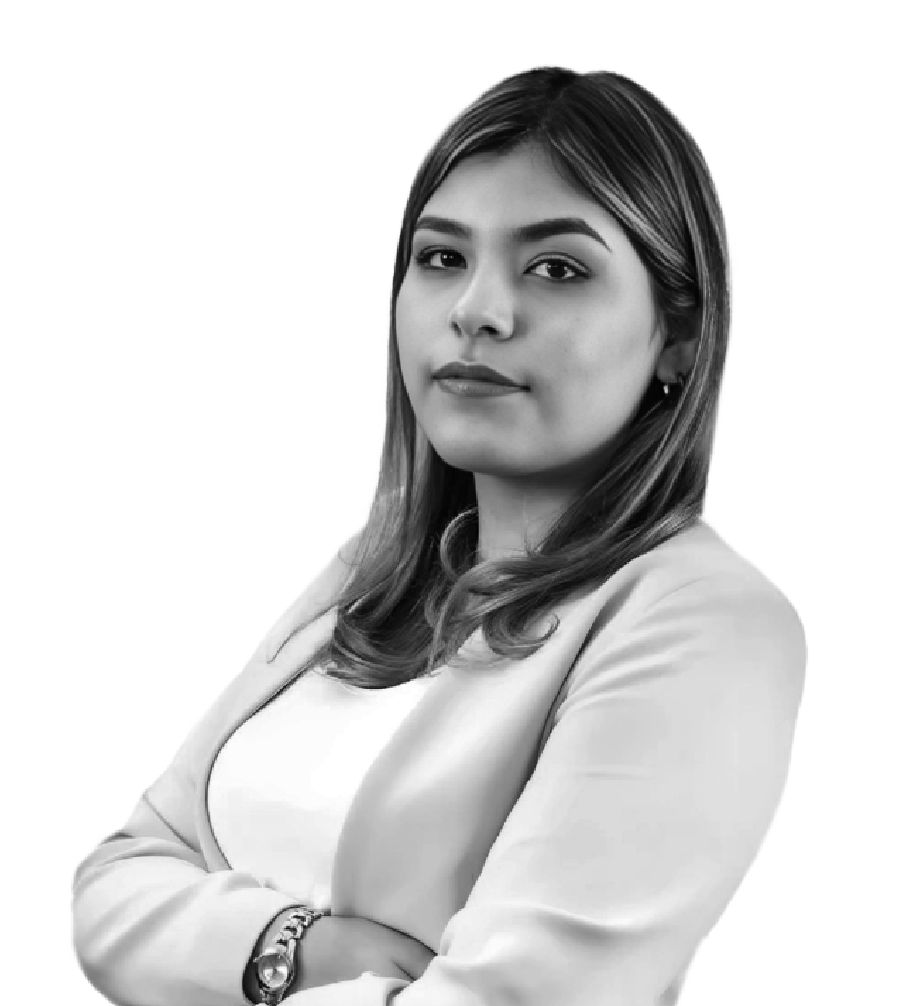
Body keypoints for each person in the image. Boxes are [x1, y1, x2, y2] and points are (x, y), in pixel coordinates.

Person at [69, 63, 808, 1006]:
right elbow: (111, 885)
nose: (475, 311)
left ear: (681, 335)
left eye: (557, 268)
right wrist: (298, 950)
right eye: (442, 258)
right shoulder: (375, 566)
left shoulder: (707, 621)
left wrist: (197, 949)